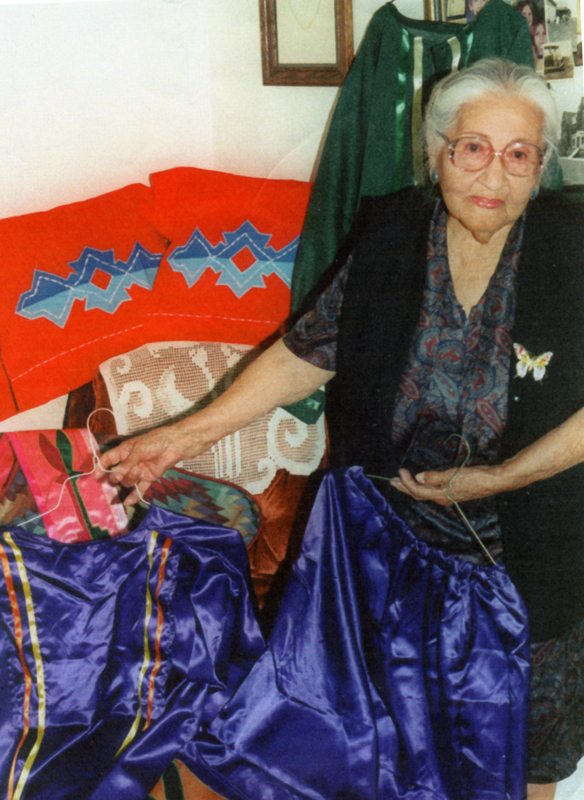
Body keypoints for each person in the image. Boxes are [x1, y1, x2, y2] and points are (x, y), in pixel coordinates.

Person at [98, 59, 584, 800]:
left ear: (540, 166)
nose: (495, 174)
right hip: (392, 545)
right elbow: (310, 351)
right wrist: (184, 436)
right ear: (437, 152)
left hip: (527, 556)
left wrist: (500, 478)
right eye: (473, 148)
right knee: (393, 743)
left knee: (517, 755)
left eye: (520, 154)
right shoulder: (392, 233)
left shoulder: (573, 246)